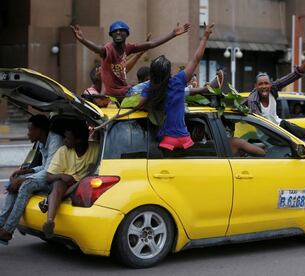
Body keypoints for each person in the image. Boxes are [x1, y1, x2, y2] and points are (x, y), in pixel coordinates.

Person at [139, 23, 214, 151]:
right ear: (169, 72)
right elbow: (196, 59)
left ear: (152, 74)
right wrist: (205, 37)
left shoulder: (149, 89)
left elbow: (139, 104)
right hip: (186, 139)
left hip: (166, 141)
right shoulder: (178, 81)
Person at [71, 20, 190, 97]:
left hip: (126, 92)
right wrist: (83, 40)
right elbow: (98, 49)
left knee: (158, 85)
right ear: (111, 35)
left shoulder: (128, 48)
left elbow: (150, 45)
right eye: (114, 31)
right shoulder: (108, 49)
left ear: (127, 34)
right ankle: (193, 90)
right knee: (156, 85)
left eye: (121, 31)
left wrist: (172, 34)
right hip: (115, 95)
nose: (118, 33)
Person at [0, 115, 63, 245]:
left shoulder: (55, 140)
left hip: (56, 179)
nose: (28, 134)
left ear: (40, 130)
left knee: (25, 185)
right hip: (46, 175)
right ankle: (1, 223)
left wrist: (24, 179)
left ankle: (8, 230)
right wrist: (26, 172)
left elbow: (51, 171)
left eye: (30, 130)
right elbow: (44, 166)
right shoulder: (41, 142)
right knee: (13, 183)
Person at [42, 121, 99, 238]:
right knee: (58, 184)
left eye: (67, 138)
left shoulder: (96, 149)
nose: (64, 141)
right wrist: (61, 176)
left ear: (78, 140)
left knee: (84, 182)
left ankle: (50, 200)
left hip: (83, 184)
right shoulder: (63, 151)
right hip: (64, 186)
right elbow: (48, 177)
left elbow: (95, 172)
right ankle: (50, 221)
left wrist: (82, 179)